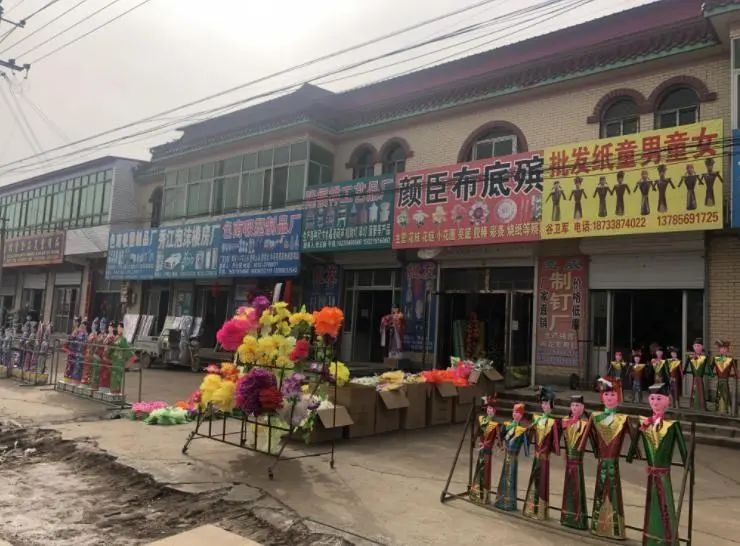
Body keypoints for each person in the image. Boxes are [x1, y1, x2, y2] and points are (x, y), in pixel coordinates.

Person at [627, 383, 688, 546]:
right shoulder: (644, 422)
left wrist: (687, 464)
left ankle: (667, 539)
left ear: (667, 401)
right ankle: (650, 538)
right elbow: (634, 443)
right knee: (652, 504)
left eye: (659, 399)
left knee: (665, 504)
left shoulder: (672, 425)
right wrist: (632, 453)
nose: (655, 402)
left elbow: (683, 451)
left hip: (663, 473)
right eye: (653, 399)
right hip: (652, 473)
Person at [590, 378, 631, 540]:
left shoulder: (623, 419)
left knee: (613, 491)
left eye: (612, 394)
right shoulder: (596, 417)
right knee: (600, 490)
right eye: (606, 394)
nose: (609, 397)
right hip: (602, 461)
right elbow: (591, 438)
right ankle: (598, 525)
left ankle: (615, 528)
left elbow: (634, 441)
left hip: (613, 463)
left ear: (618, 397)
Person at [524, 387, 560, 521]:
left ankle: (540, 511)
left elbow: (556, 440)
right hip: (537, 455)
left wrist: (554, 450)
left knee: (542, 481)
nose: (544, 406)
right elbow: (530, 432)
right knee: (534, 479)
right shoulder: (537, 419)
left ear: (552, 405)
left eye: (547, 403)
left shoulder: (554, 422)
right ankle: (530, 508)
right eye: (543, 403)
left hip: (545, 457)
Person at [560, 394, 592, 530]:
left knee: (577, 489)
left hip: (577, 464)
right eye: (572, 405)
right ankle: (567, 517)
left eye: (577, 405)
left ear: (583, 407)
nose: (574, 408)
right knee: (568, 490)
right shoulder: (564, 421)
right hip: (569, 462)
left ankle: (578, 518)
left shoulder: (586, 424)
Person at [495, 402, 529, 511]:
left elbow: (527, 446)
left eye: (518, 412)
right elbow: (500, 437)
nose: (515, 414)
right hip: (507, 455)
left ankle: (509, 502)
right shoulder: (507, 425)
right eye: (514, 411)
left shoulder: (522, 430)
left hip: (514, 457)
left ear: (521, 415)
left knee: (511, 477)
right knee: (504, 477)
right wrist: (500, 445)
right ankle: (500, 500)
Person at [469, 395, 501, 504]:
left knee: (486, 471)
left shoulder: (495, 424)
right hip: (481, 449)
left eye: (491, 409)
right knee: (479, 469)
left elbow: (498, 438)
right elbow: (478, 432)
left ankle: (484, 496)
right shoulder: (482, 420)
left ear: (495, 411)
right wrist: (474, 440)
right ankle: (476, 493)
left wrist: (499, 446)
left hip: (487, 450)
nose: (489, 410)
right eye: (488, 408)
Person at [711, 340, 737, 415]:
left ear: (727, 350)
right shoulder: (715, 359)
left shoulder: (730, 359)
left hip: (725, 380)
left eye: (725, 348)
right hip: (719, 380)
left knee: (726, 394)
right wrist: (710, 374)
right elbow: (711, 368)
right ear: (719, 349)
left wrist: (736, 375)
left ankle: (727, 409)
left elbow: (735, 369)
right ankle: (718, 409)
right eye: (721, 348)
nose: (723, 350)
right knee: (719, 394)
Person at [684, 338, 709, 411]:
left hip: (700, 378)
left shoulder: (704, 357)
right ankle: (693, 407)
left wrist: (710, 374)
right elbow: (686, 365)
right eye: (695, 346)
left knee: (701, 391)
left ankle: (702, 407)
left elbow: (708, 367)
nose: (697, 347)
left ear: (702, 347)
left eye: (698, 346)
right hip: (694, 378)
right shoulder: (690, 357)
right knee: (694, 391)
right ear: (693, 347)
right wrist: (683, 372)